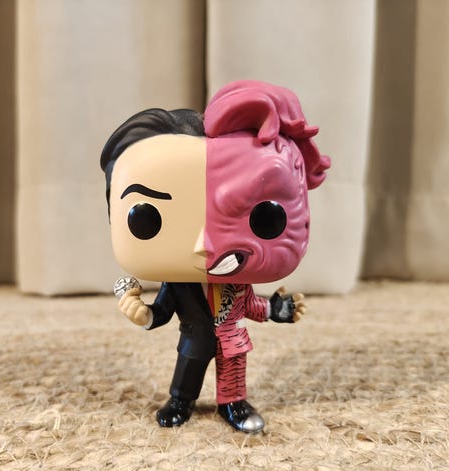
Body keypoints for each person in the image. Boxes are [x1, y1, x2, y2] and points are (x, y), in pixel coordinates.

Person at [100, 80, 330, 433]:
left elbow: (251, 305)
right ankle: (181, 400)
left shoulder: (237, 284)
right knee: (188, 370)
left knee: (233, 371)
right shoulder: (179, 285)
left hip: (232, 339)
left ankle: (233, 403)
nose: (203, 246)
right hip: (194, 340)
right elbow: (162, 311)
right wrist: (143, 314)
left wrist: (277, 310)